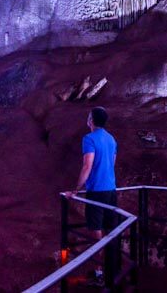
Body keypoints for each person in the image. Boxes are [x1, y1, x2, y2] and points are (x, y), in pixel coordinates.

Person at [64, 106, 118, 282]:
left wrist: (76, 190)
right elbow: (112, 164)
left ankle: (100, 273)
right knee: (110, 230)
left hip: (96, 191)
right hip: (111, 190)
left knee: (96, 231)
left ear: (92, 120)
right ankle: (112, 269)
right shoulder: (111, 139)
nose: (87, 119)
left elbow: (87, 165)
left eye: (88, 116)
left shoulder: (89, 139)